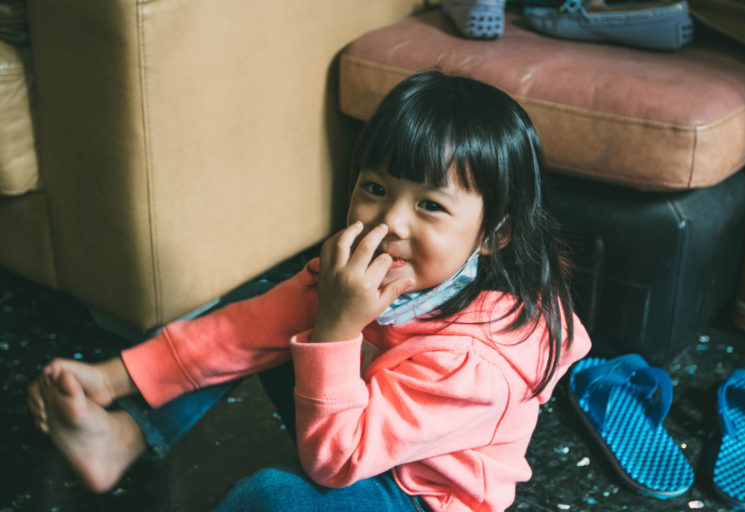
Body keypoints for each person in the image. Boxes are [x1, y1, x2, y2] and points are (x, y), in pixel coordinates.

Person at [28, 70, 591, 512]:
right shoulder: (377, 267)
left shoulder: (473, 366)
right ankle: (125, 437)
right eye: (375, 187)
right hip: (353, 430)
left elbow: (336, 464)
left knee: (274, 497)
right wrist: (112, 375)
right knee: (259, 325)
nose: (389, 221)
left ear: (495, 235)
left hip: (414, 496)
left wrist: (337, 332)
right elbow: (243, 329)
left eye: (430, 205)